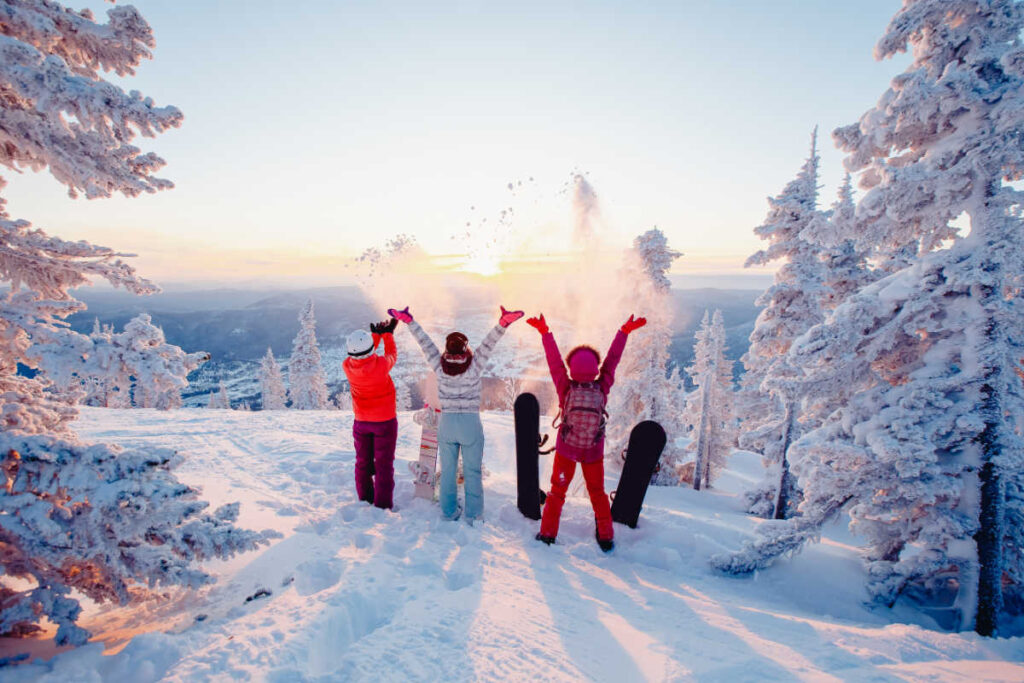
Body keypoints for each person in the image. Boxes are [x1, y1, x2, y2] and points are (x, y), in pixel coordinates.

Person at [389, 305, 524, 522]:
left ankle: (449, 511)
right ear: (464, 349)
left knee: (448, 471)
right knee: (472, 472)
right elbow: (489, 344)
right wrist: (503, 323)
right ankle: (474, 514)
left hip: (448, 423)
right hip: (470, 423)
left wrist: (409, 321)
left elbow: (425, 344)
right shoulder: (474, 366)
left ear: (447, 350)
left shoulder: (439, 366)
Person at [526, 313, 647, 551]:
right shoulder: (602, 386)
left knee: (557, 492)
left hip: (566, 451)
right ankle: (606, 535)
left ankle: (548, 534)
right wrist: (623, 332)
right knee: (598, 493)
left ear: (571, 368)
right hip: (593, 451)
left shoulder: (565, 387)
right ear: (595, 368)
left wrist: (545, 332)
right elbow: (613, 359)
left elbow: (554, 362)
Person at [342, 316, 399, 510]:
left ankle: (365, 499)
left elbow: (362, 354)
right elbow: (391, 354)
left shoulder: (347, 366)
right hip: (384, 421)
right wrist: (387, 335)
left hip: (361, 422)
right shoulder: (381, 365)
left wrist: (375, 335)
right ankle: (382, 505)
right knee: (383, 464)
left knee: (363, 462)